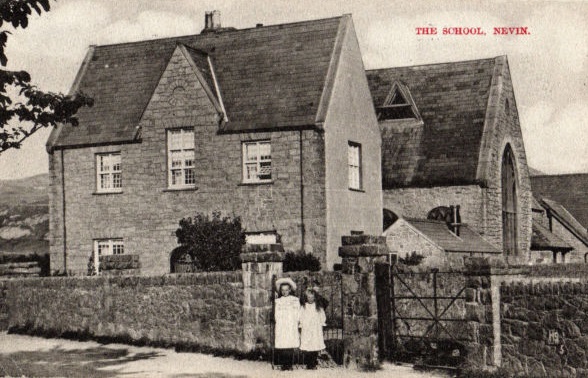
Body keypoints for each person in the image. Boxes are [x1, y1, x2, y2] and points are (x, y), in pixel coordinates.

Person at [274, 277, 300, 370]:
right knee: (283, 344)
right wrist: (279, 322)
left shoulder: (294, 300)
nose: (285, 292)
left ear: (290, 290)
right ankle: (284, 364)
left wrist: (295, 322)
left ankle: (290, 364)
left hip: (290, 324)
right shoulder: (278, 301)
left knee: (290, 344)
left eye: (286, 290)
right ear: (280, 291)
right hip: (282, 324)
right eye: (282, 290)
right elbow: (276, 314)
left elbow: (297, 313)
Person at [298, 287, 327, 370]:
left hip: (315, 329)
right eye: (309, 297)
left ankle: (313, 363)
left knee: (314, 345)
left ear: (315, 297)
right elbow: (300, 316)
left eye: (312, 297)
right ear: (306, 298)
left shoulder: (318, 307)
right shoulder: (303, 307)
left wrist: (321, 323)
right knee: (307, 346)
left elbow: (322, 316)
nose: (310, 299)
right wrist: (302, 324)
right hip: (307, 328)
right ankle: (308, 363)